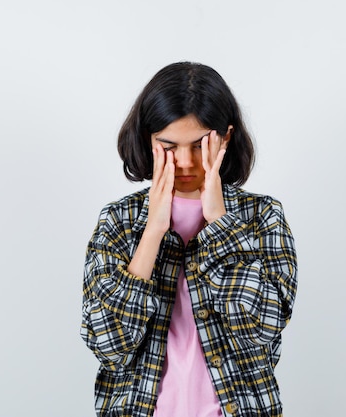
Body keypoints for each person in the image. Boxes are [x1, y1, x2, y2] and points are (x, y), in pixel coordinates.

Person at [80, 62, 298, 417]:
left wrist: (220, 224)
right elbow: (109, 345)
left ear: (225, 138)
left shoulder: (262, 217)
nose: (184, 161)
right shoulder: (119, 221)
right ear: (147, 140)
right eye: (167, 146)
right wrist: (152, 231)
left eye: (199, 145)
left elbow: (260, 329)